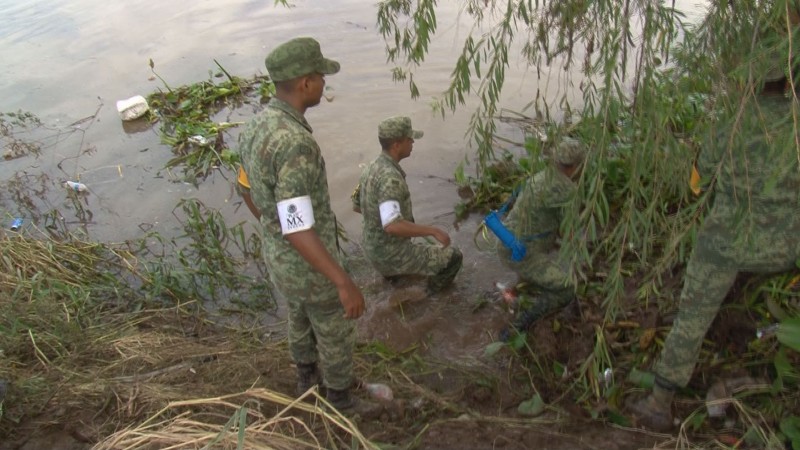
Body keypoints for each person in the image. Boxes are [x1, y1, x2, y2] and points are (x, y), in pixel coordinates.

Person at [627, 11, 800, 431]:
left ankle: (660, 401)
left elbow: (697, 187)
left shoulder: (728, 127)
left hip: (727, 246)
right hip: (789, 248)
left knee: (692, 315)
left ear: (747, 77)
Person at [237, 37, 374, 414]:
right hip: (308, 261)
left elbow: (244, 187)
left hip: (280, 259)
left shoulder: (255, 126)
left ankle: (306, 379)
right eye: (320, 76)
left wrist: (271, 225)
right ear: (305, 84)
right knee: (334, 327)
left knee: (298, 316)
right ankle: (342, 400)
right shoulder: (296, 143)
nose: (325, 83)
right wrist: (342, 282)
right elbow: (298, 228)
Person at [351, 116, 463, 294]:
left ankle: (396, 281)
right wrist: (433, 230)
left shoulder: (370, 168)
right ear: (397, 145)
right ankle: (430, 299)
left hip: (372, 248)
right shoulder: (390, 178)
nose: (412, 142)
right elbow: (393, 225)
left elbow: (357, 206)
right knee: (453, 258)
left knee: (408, 257)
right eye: (409, 139)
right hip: (389, 254)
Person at [495, 138, 586, 342]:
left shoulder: (539, 177)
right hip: (522, 252)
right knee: (567, 287)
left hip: (506, 243)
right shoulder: (568, 191)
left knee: (539, 272)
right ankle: (521, 323)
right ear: (578, 166)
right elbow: (570, 234)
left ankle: (520, 292)